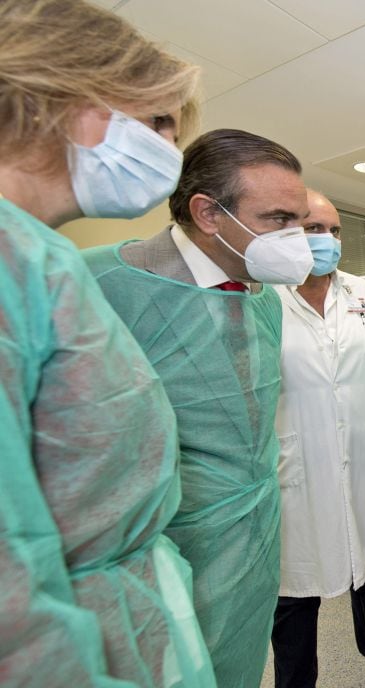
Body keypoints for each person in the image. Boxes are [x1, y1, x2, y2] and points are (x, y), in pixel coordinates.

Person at [0, 0, 216, 685]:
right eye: (154, 122)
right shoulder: (13, 261)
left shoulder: (39, 257)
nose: (167, 152)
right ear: (62, 91)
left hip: (122, 607)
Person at [83, 129, 314, 688]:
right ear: (209, 213)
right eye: (278, 218)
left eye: (300, 221)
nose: (297, 239)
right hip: (157, 546)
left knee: (238, 662)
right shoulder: (101, 283)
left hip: (253, 533)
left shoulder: (261, 298)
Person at [271, 189, 365, 688]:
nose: (328, 240)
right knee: (294, 589)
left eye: (334, 231)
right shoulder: (263, 298)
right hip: (296, 464)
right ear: (285, 232)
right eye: (315, 229)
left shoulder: (362, 293)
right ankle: (296, 681)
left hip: (359, 456)